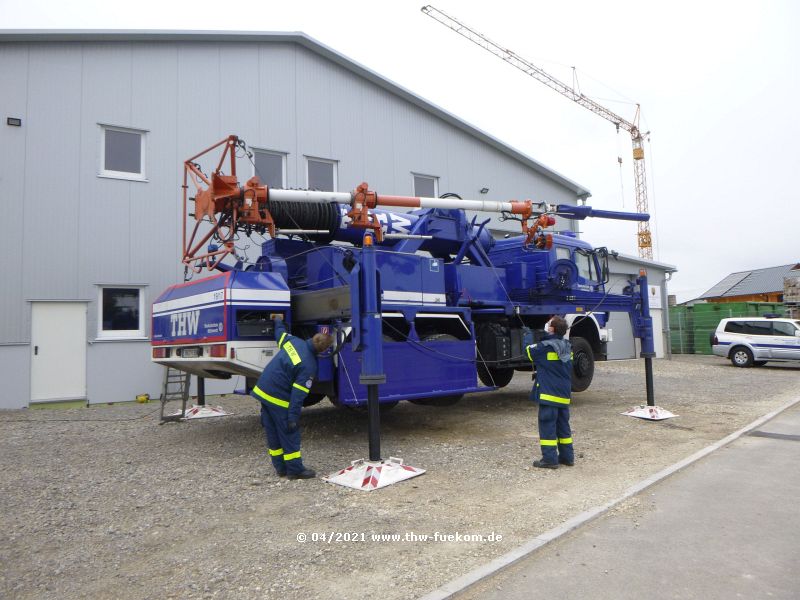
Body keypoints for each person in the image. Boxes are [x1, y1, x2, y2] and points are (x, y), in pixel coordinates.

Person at [250, 315, 333, 480]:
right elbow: (297, 395)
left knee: (272, 431)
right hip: (278, 398)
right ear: (323, 350)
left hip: (263, 390)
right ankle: (295, 470)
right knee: (289, 433)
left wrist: (278, 321)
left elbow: (279, 334)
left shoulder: (294, 342)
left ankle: (280, 468)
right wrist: (293, 418)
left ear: (312, 338)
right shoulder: (309, 365)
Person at [526, 316, 574, 469]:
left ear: (552, 329)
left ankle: (549, 459)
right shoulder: (568, 346)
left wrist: (527, 335)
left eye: (549, 324)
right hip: (563, 396)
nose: (547, 325)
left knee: (547, 426)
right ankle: (567, 457)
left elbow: (528, 351)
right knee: (563, 426)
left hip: (548, 396)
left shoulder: (544, 347)